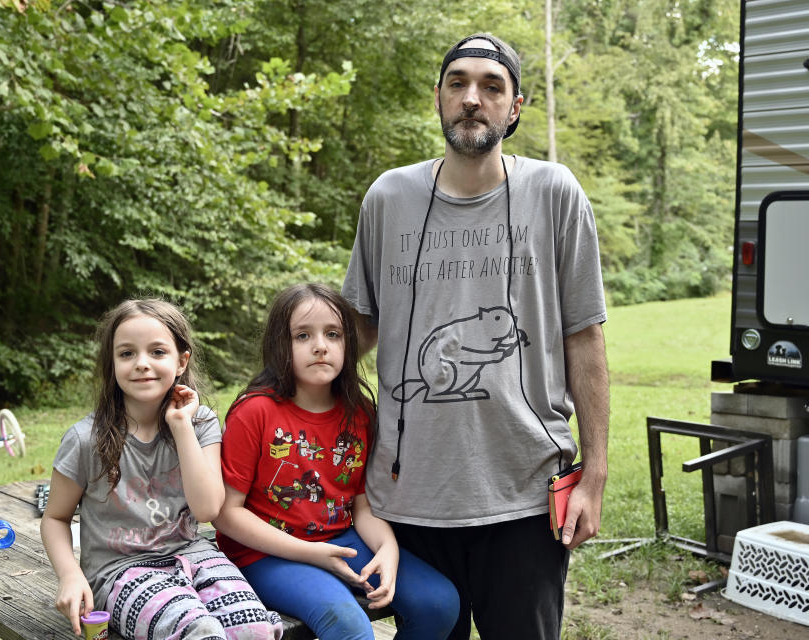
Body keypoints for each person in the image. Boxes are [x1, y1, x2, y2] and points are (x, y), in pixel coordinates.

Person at [341, 33, 610, 640]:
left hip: (524, 492)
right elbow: (355, 329)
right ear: (437, 98)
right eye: (458, 83)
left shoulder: (554, 192)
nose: (472, 98)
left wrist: (593, 474)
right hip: (408, 493)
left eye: (492, 87)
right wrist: (277, 392)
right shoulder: (389, 197)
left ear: (514, 107)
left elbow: (584, 338)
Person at [212, 283, 459, 640]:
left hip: (340, 539)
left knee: (438, 603)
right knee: (347, 624)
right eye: (302, 335)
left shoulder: (359, 413)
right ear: (280, 344)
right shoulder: (255, 412)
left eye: (333, 334)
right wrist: (310, 553)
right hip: (264, 553)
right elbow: (226, 513)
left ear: (348, 344)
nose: (320, 346)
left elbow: (361, 503)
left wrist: (387, 549)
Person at [40, 298, 282, 640]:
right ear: (112, 363)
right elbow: (55, 518)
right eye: (126, 354)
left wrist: (182, 426)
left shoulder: (201, 424)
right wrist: (69, 575)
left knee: (255, 629)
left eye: (157, 352)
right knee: (201, 631)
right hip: (119, 571)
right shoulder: (85, 440)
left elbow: (208, 509)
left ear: (181, 361)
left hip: (193, 554)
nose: (142, 364)